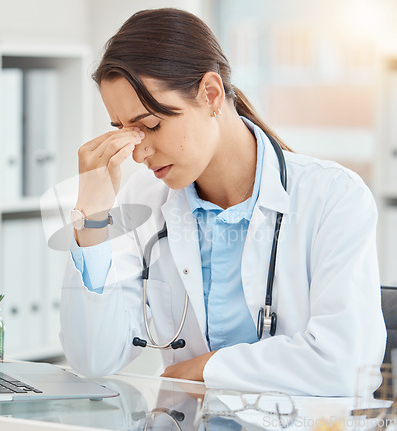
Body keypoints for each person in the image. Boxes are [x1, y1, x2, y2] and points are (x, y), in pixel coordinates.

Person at [59, 8, 386, 396]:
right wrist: (91, 221)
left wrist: (209, 367)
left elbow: (347, 365)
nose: (137, 152)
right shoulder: (143, 200)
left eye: (150, 125)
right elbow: (93, 358)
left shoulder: (333, 197)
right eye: (124, 131)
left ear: (211, 94)